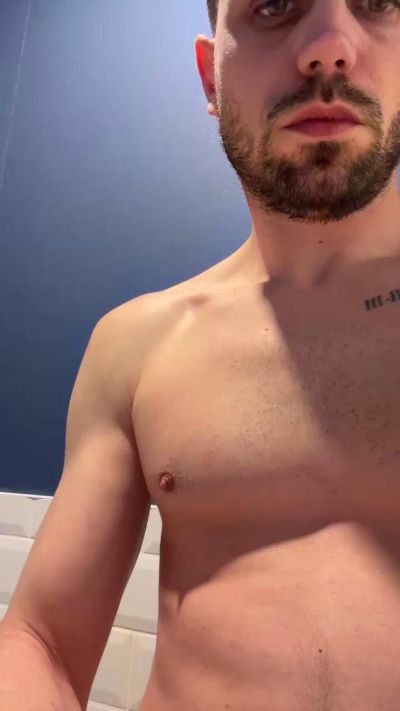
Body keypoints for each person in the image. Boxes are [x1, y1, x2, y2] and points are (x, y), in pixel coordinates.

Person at [1, 0, 400, 709]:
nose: (330, 44)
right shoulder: (137, 346)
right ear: (210, 77)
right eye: (274, 5)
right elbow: (41, 642)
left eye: (375, 3)